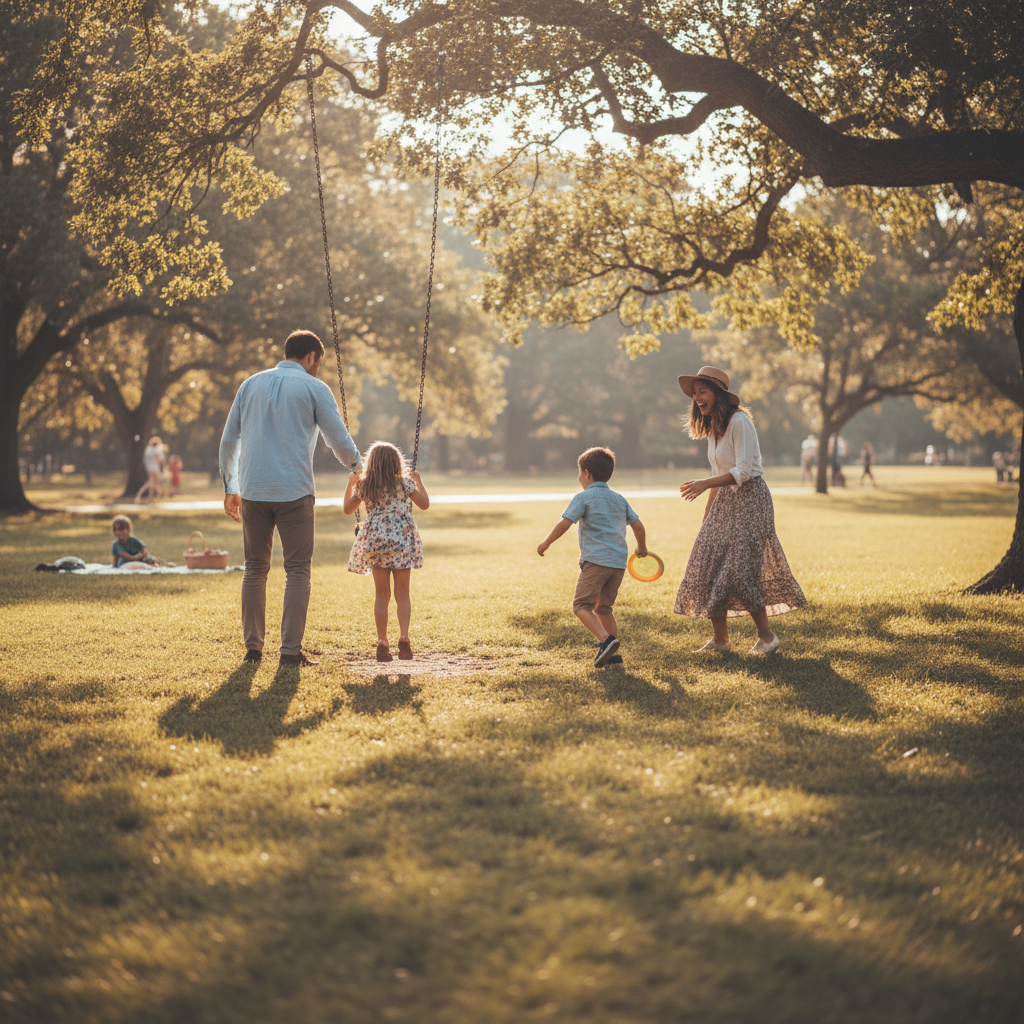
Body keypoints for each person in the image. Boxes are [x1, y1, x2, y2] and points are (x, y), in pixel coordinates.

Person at [219, 330, 361, 667]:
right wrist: (359, 467)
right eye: (318, 363)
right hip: (295, 491)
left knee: (254, 569)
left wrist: (230, 486)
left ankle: (253, 649)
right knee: (297, 570)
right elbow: (338, 440)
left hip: (253, 490)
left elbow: (229, 440)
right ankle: (289, 652)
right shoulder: (314, 388)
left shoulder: (249, 385)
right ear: (311, 357)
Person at [674, 366, 807, 654]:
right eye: (694, 393)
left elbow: (743, 471)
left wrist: (704, 484)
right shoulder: (714, 429)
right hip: (724, 504)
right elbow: (718, 472)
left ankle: (767, 638)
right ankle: (721, 641)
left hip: (751, 501)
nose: (697, 397)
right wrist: (707, 519)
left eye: (702, 391)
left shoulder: (739, 422)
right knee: (708, 564)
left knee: (737, 572)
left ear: (718, 394)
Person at [536, 447, 647, 668]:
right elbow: (637, 525)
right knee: (603, 608)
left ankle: (606, 641)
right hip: (618, 564)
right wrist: (641, 547)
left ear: (586, 473)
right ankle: (613, 657)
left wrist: (546, 542)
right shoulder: (619, 498)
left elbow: (565, 523)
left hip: (596, 561)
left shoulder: (583, 497)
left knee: (581, 606)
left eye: (579, 472)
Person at [343, 442, 430, 662]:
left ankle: (382, 641)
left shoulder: (366, 485)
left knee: (382, 594)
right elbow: (425, 504)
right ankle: (404, 637)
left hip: (377, 542)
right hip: (401, 541)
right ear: (396, 462)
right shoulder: (405, 484)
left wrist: (351, 484)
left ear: (371, 463)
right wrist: (418, 481)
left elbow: (347, 509)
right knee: (403, 594)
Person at [135, 436, 166, 502]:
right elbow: (161, 459)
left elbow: (145, 460)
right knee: (157, 481)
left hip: (149, 468)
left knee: (151, 481)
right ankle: (157, 494)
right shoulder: (158, 450)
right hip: (155, 467)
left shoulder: (148, 450)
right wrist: (163, 467)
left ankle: (151, 495)